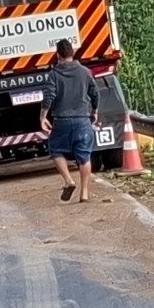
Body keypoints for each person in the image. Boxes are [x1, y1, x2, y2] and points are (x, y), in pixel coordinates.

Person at [39, 25, 105, 203]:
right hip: (83, 121)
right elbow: (95, 93)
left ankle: (68, 180)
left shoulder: (54, 74)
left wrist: (43, 116)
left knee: (56, 150)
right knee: (84, 156)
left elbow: (49, 96)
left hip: (61, 121)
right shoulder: (85, 72)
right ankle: (84, 193)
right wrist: (95, 111)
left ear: (58, 55)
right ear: (72, 53)